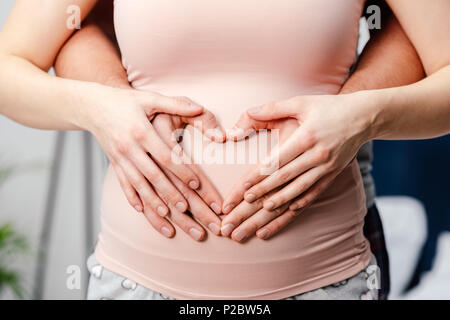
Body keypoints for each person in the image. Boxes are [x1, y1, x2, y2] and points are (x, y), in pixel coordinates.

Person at [0, 0, 448, 300]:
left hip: (325, 282)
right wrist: (99, 108)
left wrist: (362, 115)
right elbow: (11, 65)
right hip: (134, 284)